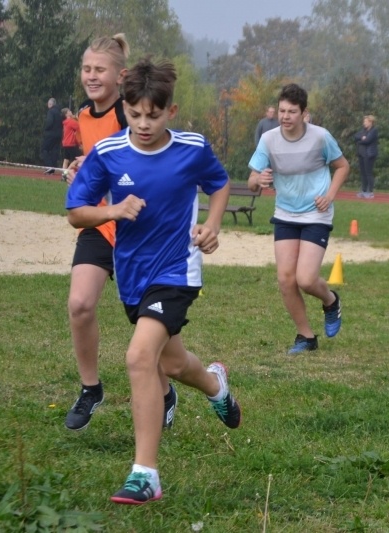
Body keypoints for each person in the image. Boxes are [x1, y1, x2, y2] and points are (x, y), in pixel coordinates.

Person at [66, 57, 240, 505]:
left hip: (177, 272)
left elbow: (219, 185)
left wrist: (212, 226)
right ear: (124, 107)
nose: (143, 123)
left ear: (171, 112)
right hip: (132, 276)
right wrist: (112, 210)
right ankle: (216, 385)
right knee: (172, 364)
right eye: (134, 113)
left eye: (154, 115)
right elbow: (76, 212)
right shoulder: (108, 154)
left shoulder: (192, 148)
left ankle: (145, 476)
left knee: (140, 357)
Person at [63, 34, 152, 432]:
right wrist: (82, 170)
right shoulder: (84, 114)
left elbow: (145, 162)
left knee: (148, 325)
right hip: (100, 224)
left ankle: (165, 390)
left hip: (137, 228)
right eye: (87, 69)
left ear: (121, 75)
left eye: (100, 69)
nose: (92, 76)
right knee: (80, 304)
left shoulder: (129, 114)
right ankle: (90, 388)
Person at [247, 84, 349, 354]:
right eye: (282, 110)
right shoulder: (268, 140)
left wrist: (330, 195)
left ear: (305, 113)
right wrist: (259, 179)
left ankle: (330, 301)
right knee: (285, 279)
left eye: (292, 111)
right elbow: (252, 182)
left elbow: (342, 166)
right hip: (285, 213)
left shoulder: (320, 137)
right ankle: (305, 336)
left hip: (316, 213)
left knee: (305, 279)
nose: (285, 116)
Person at [353, 115, 379, 199]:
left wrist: (361, 141)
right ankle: (363, 190)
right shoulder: (363, 130)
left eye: (366, 121)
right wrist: (362, 138)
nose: (364, 123)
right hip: (361, 154)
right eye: (364, 121)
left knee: (368, 173)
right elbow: (356, 136)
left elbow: (368, 140)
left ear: (370, 122)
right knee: (363, 173)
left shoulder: (374, 130)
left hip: (369, 154)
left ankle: (370, 192)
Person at [41, 98, 62, 174]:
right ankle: (53, 169)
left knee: (44, 149)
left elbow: (49, 122)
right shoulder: (59, 112)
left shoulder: (51, 111)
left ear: (50, 104)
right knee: (54, 151)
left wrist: (45, 128)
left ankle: (49, 166)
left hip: (50, 134)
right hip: (59, 134)